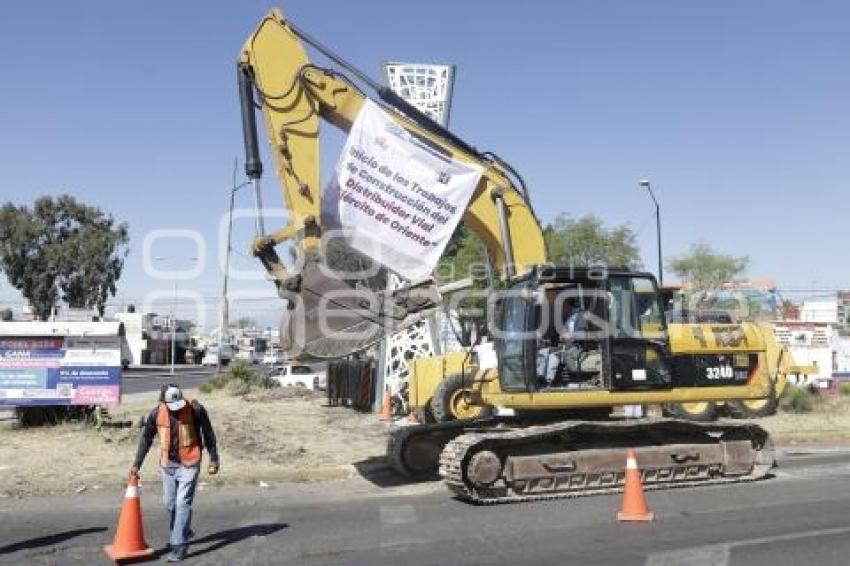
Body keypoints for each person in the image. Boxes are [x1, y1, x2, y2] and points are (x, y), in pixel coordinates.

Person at [130, 385, 220, 562]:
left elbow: (208, 433)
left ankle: (179, 546)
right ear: (163, 402)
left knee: (183, 502)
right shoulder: (156, 414)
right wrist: (136, 464)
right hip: (168, 465)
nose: (177, 410)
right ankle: (183, 529)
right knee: (170, 504)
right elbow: (146, 439)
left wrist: (214, 458)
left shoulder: (195, 409)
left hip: (190, 462)